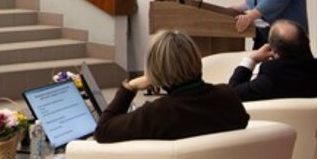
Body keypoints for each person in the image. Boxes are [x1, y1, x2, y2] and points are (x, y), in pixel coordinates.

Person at [95, 29, 249, 143]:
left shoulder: (157, 113)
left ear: (154, 70)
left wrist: (130, 87)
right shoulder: (228, 97)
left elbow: (103, 130)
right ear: (195, 58)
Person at [228, 20, 317, 102]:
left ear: (274, 52)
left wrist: (251, 59)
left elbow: (232, 94)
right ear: (307, 40)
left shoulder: (271, 79)